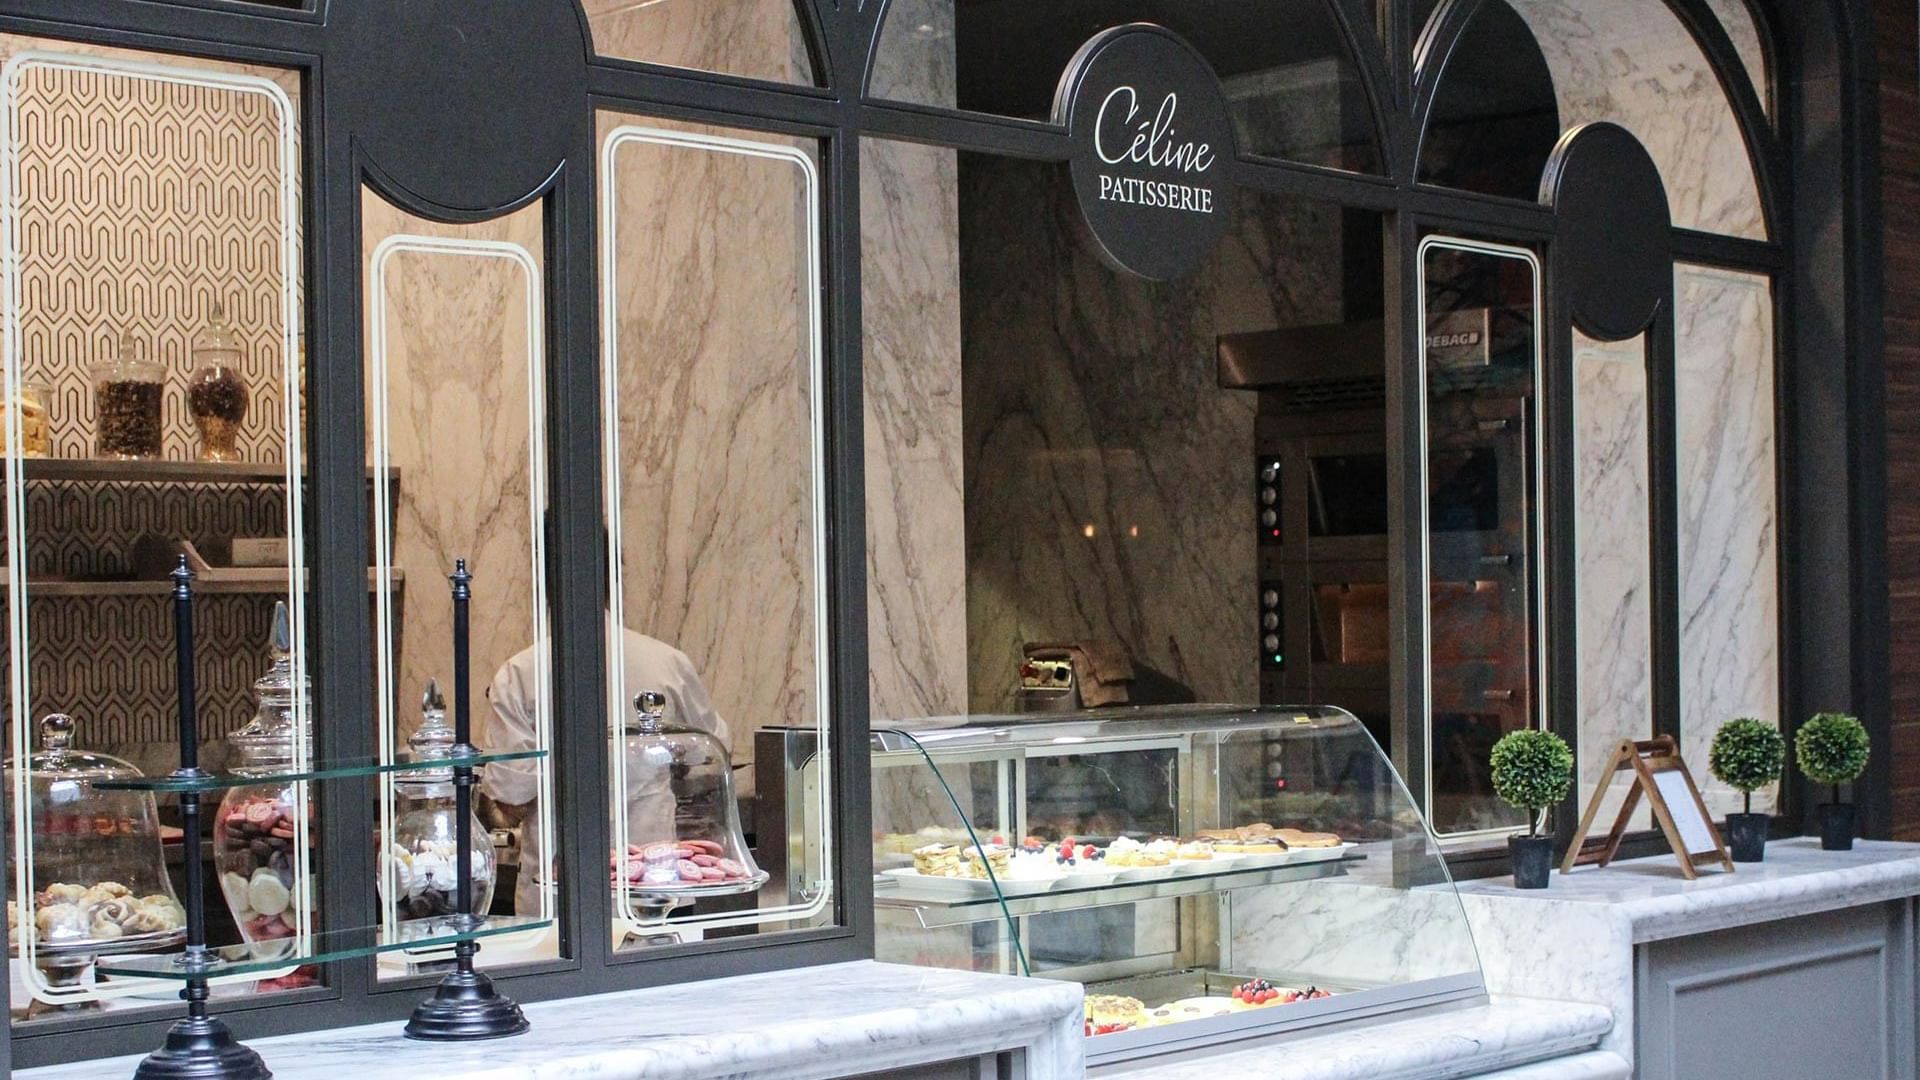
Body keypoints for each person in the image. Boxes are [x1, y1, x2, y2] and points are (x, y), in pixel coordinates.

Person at [481, 627, 730, 916]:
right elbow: (711, 750)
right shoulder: (666, 661)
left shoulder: (520, 672)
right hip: (656, 885)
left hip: (561, 894)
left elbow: (512, 794)